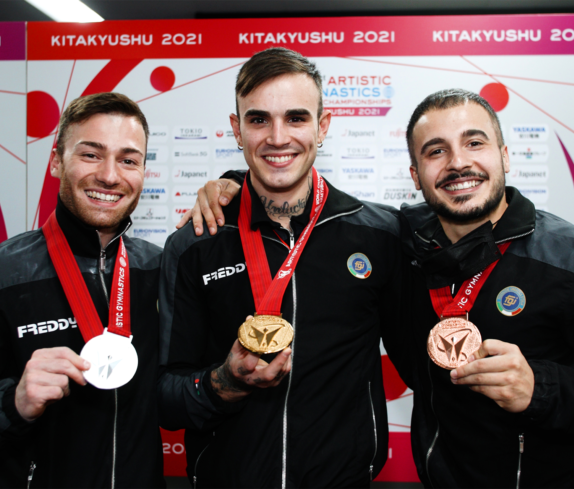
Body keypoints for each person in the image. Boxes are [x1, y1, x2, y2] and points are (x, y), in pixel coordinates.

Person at [181, 88, 574, 488]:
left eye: (475, 142)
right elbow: (302, 203)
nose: (458, 163)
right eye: (435, 152)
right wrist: (234, 185)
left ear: (505, 155)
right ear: (415, 176)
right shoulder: (402, 243)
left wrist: (543, 387)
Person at [157, 48, 405, 489]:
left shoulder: (379, 235)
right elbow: (166, 396)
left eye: (295, 118)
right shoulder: (195, 245)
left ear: (322, 126)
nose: (277, 137)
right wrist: (222, 383)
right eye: (258, 120)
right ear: (237, 130)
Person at [0, 92, 165, 488]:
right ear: (55, 162)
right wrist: (11, 403)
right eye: (91, 154)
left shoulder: (159, 269)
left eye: (128, 160)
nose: (111, 176)